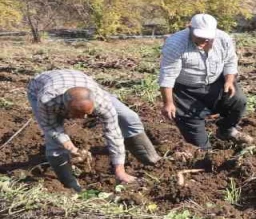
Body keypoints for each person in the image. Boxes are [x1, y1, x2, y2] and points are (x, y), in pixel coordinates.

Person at [27, 69, 160, 191]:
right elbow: (50, 127)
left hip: (80, 80)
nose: (84, 118)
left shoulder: (102, 102)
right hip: (39, 88)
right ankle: (70, 185)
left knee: (129, 117)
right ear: (66, 107)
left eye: (88, 113)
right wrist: (70, 147)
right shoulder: (47, 100)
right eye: (78, 114)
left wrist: (120, 171)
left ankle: (152, 160)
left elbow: (113, 134)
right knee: (54, 144)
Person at [158, 13, 248, 151]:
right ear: (189, 28)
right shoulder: (175, 44)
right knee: (198, 142)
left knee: (238, 100)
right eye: (200, 36)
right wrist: (168, 103)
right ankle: (205, 153)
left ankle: (226, 130)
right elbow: (167, 76)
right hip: (185, 91)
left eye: (208, 37)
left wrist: (229, 81)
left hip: (215, 82)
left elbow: (230, 61)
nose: (204, 40)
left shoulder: (223, 39)